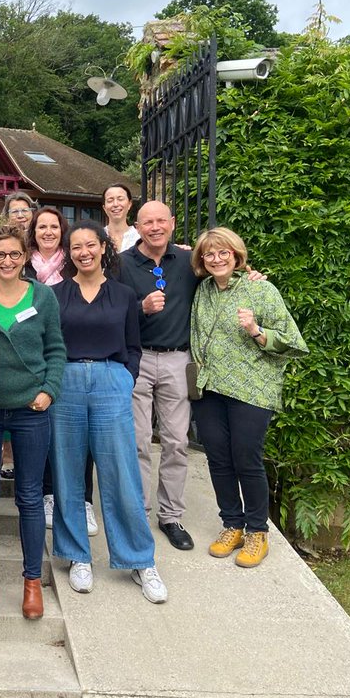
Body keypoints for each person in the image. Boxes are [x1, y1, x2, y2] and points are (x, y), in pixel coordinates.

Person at [49, 222, 168, 604]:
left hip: (110, 380)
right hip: (66, 382)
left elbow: (134, 344)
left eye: (90, 245)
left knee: (122, 471)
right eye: (76, 247)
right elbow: (49, 343)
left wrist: (126, 378)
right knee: (67, 472)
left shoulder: (122, 294)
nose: (84, 252)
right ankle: (76, 555)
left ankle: (139, 559)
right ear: (69, 253)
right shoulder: (54, 295)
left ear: (103, 247)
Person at [189, 228, 307, 568]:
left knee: (246, 458)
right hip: (209, 389)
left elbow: (294, 342)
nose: (216, 259)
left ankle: (257, 531)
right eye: (209, 254)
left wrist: (256, 330)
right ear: (201, 260)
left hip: (251, 389)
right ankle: (232, 524)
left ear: (237, 255)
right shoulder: (202, 292)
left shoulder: (261, 288)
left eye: (223, 252)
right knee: (218, 459)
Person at [0, 226, 66, 621]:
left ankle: (31, 583)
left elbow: (56, 349)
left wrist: (49, 390)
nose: (7, 261)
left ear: (24, 257)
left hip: (32, 409)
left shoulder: (43, 297)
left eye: (13, 254)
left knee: (28, 497)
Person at [116, 201, 200, 552]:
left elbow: (225, 267)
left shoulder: (188, 260)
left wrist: (251, 274)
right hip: (138, 359)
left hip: (177, 359)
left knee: (176, 441)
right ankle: (139, 512)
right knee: (136, 443)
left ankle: (170, 516)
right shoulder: (121, 264)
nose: (154, 227)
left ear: (172, 223)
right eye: (147, 222)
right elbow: (110, 308)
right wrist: (140, 308)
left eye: (160, 221)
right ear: (137, 226)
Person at [25, 207, 98, 536]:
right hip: (33, 357)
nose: (48, 232)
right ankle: (48, 494)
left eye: (54, 226)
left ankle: (83, 500)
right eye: (42, 226)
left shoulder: (75, 263)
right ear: (34, 231)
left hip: (72, 355)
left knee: (79, 434)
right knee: (43, 428)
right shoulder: (22, 263)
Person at [102, 184, 141, 253]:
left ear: (129, 204)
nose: (115, 204)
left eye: (120, 199)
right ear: (104, 208)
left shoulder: (139, 237)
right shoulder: (98, 236)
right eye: (110, 200)